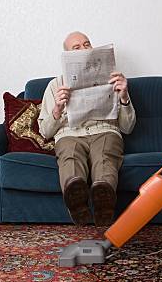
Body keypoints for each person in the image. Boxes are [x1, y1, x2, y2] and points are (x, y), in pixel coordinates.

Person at [38, 31, 136, 226]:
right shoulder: (54, 85)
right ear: (67, 57)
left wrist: (124, 96)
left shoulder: (113, 80)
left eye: (86, 44)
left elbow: (128, 127)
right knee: (70, 154)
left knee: (105, 155)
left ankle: (104, 201)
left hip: (105, 131)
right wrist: (57, 108)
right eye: (76, 48)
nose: (84, 49)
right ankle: (76, 202)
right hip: (70, 133)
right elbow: (45, 132)